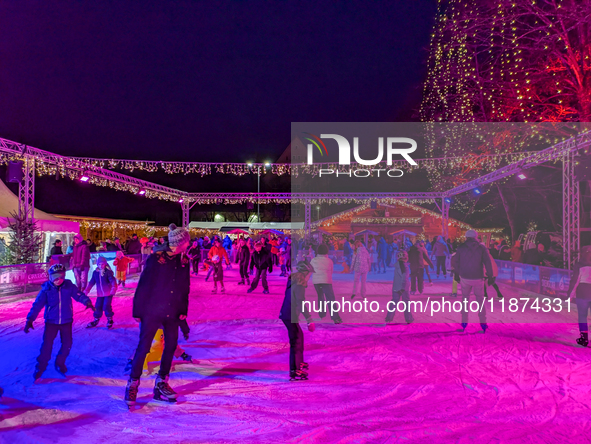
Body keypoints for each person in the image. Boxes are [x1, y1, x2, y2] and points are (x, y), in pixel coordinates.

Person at [125, 223, 191, 406]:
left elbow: (184, 288)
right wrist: (138, 310)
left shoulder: (184, 261)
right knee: (144, 347)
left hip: (172, 311)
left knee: (170, 346)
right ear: (180, 242)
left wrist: (182, 311)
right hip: (152, 310)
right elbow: (144, 284)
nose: (189, 244)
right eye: (187, 241)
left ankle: (162, 382)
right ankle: (133, 383)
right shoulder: (156, 259)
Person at [25, 264, 94, 380]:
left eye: (61, 277)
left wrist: (87, 301)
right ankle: (40, 366)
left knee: (67, 344)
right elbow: (37, 305)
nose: (59, 280)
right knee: (47, 345)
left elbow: (78, 295)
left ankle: (60, 363)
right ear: (51, 277)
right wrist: (30, 319)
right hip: (51, 322)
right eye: (56, 277)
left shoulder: (68, 286)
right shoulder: (46, 289)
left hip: (66, 321)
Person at [451, 230, 494, 332]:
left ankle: (464, 324)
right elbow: (487, 262)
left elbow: (456, 262)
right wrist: (490, 275)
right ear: (476, 237)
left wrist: (456, 274)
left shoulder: (461, 247)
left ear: (466, 237)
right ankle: (483, 325)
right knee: (480, 301)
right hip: (478, 277)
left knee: (465, 300)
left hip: (465, 277)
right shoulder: (481, 248)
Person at [280, 261, 316, 381]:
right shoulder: (299, 284)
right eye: (309, 274)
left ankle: (298, 362)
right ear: (305, 273)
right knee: (295, 341)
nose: (309, 276)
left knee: (299, 336)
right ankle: (294, 371)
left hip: (288, 313)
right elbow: (301, 303)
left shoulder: (293, 280)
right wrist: (309, 320)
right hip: (289, 315)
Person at [310, 244, 343, 324]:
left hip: (316, 282)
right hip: (326, 281)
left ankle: (322, 313)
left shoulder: (313, 260)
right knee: (330, 299)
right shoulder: (329, 261)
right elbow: (331, 271)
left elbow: (311, 270)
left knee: (320, 296)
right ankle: (335, 317)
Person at [566, 245, 591, 347]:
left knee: (582, 316)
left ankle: (584, 338)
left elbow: (575, 281)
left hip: (582, 293)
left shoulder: (579, 265)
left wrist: (570, 295)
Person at [85, 256, 118, 329]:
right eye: (99, 264)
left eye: (102, 264)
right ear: (97, 264)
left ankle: (110, 319)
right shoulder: (95, 273)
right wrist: (87, 290)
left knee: (106, 305)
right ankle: (96, 320)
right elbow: (91, 282)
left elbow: (112, 281)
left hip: (108, 293)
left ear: (105, 264)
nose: (101, 266)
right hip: (100, 294)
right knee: (98, 306)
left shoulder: (108, 272)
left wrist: (113, 288)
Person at [385, 250, 413, 324]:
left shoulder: (397, 265)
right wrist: (403, 287)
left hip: (396, 287)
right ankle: (408, 318)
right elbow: (404, 278)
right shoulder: (405, 267)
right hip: (403, 288)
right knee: (406, 303)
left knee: (394, 302)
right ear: (406, 257)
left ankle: (389, 317)